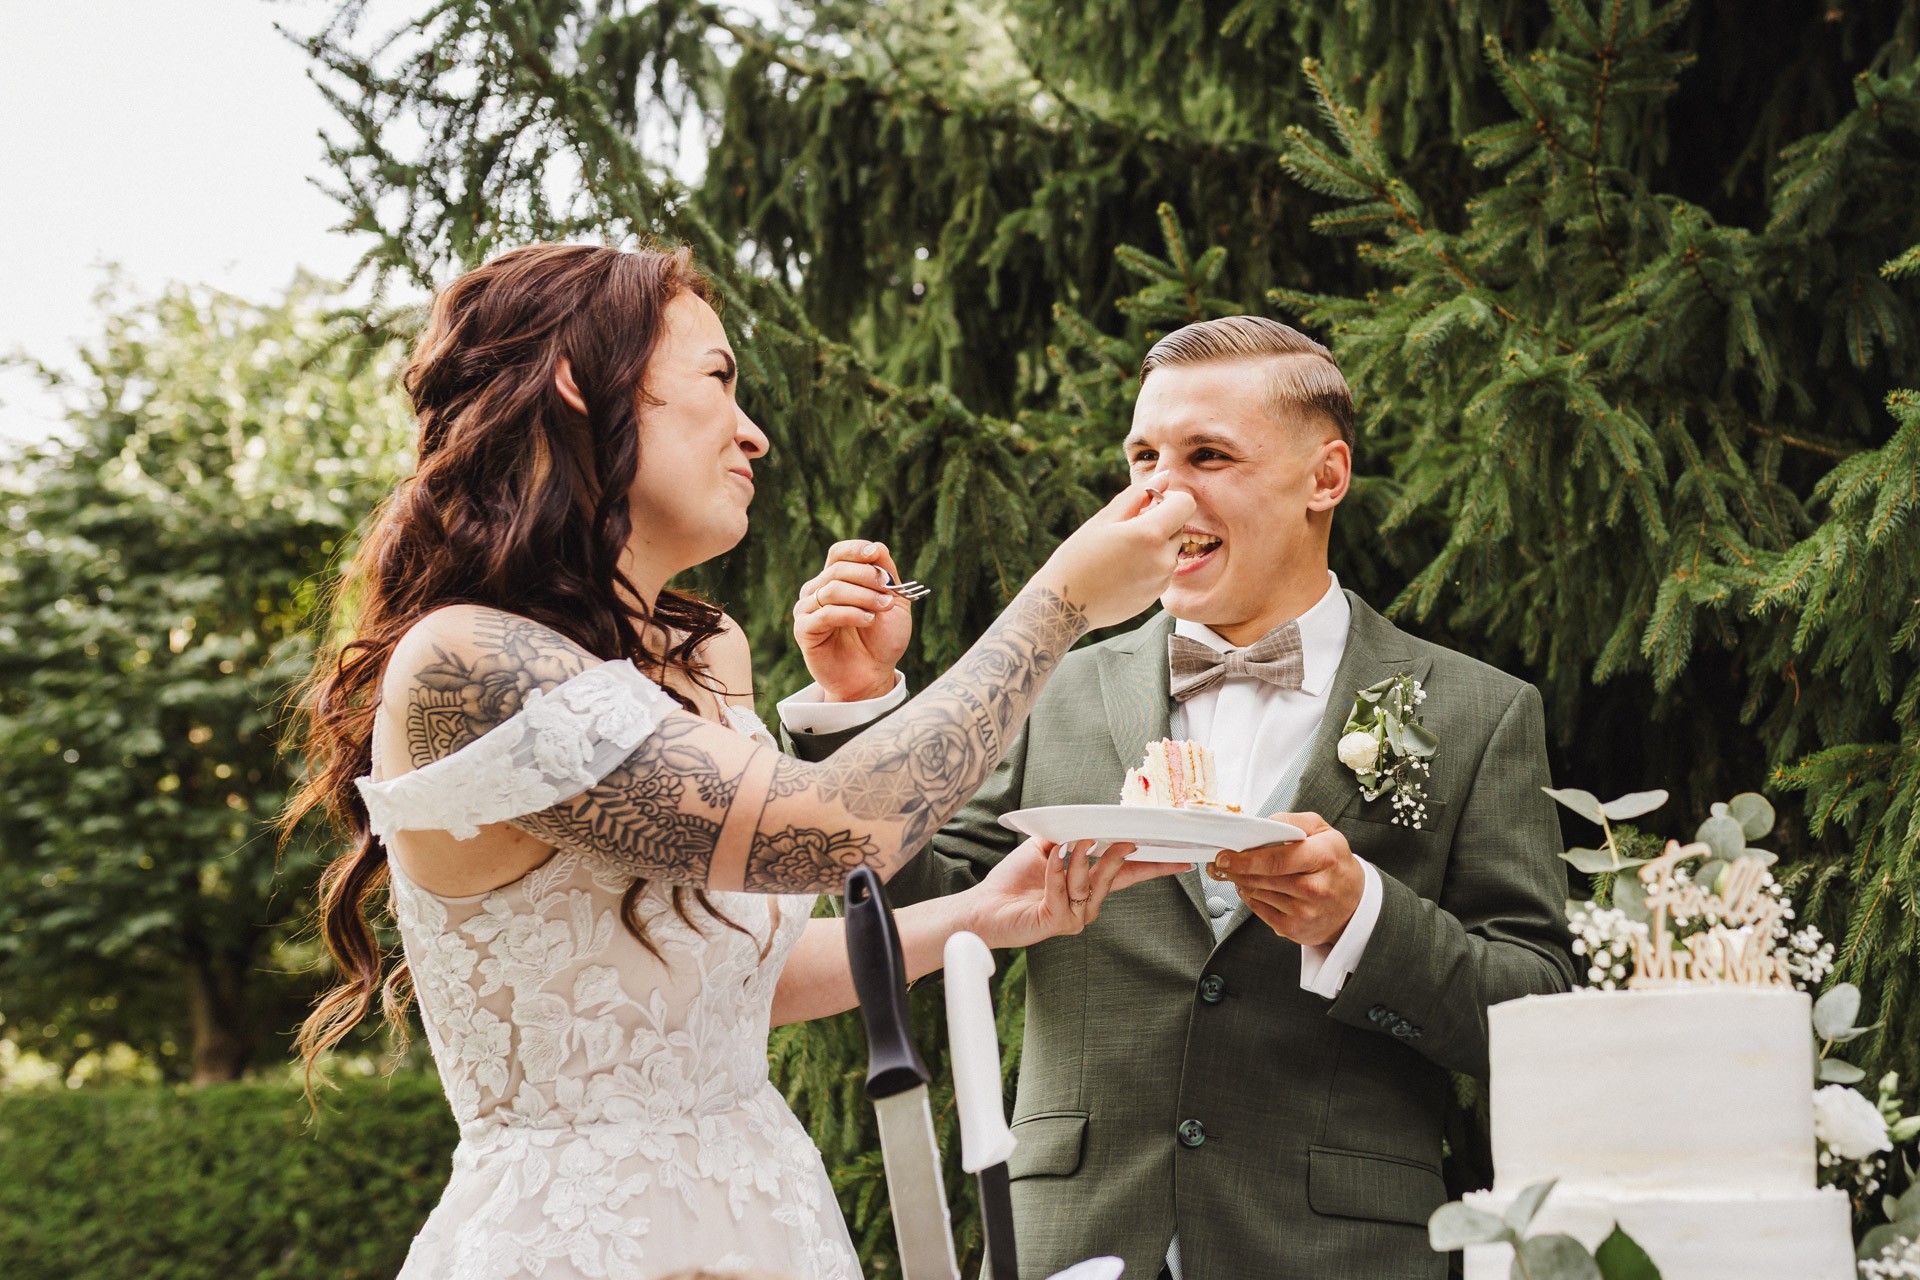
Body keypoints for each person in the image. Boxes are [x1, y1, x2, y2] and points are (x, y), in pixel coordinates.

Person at [283, 242, 1196, 1279]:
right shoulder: (466, 666)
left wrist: (987, 911)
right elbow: (831, 831)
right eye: (718, 379)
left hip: (769, 1214)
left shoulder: (705, 650)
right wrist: (1064, 600)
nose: (753, 431)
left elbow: (726, 979)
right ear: (582, 385)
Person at [782, 316, 1575, 1280]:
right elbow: (915, 916)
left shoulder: (1479, 711)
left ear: (1325, 477)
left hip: (1339, 1249)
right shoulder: (1054, 687)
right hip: (1074, 1239)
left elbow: (1539, 1011)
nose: (1162, 490)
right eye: (1144, 456)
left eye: (1208, 454)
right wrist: (860, 713)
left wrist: (1361, 918)